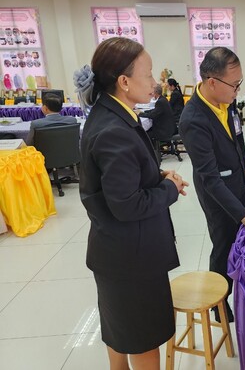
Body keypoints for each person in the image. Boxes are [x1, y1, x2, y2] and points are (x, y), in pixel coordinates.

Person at [76, 37, 189, 370]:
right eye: (149, 73)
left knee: (120, 334)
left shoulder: (110, 114)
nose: (154, 82)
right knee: (142, 341)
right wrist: (169, 188)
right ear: (124, 82)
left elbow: (118, 179)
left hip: (117, 254)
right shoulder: (115, 129)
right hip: (132, 260)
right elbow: (126, 204)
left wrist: (155, 175)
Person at [179, 47, 245, 323]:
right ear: (212, 82)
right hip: (215, 190)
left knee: (240, 238)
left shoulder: (227, 100)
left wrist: (242, 166)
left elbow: (235, 135)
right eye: (234, 84)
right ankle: (219, 304)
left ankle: (243, 294)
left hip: (234, 177)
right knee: (223, 244)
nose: (238, 90)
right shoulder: (193, 120)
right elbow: (210, 178)